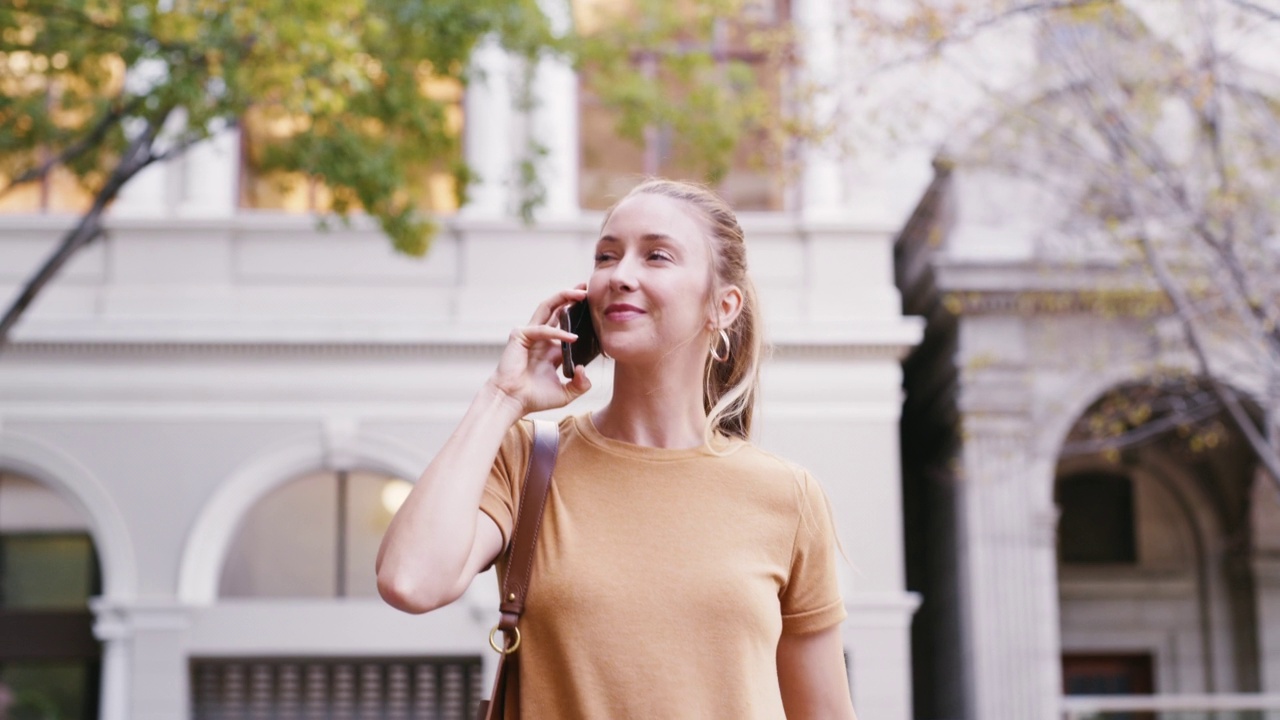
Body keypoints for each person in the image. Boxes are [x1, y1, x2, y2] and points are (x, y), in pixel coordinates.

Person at [376, 178, 857, 719]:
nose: (620, 275)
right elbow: (410, 581)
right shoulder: (528, 459)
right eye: (607, 255)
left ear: (722, 306)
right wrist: (502, 397)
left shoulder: (787, 497)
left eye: (656, 255)